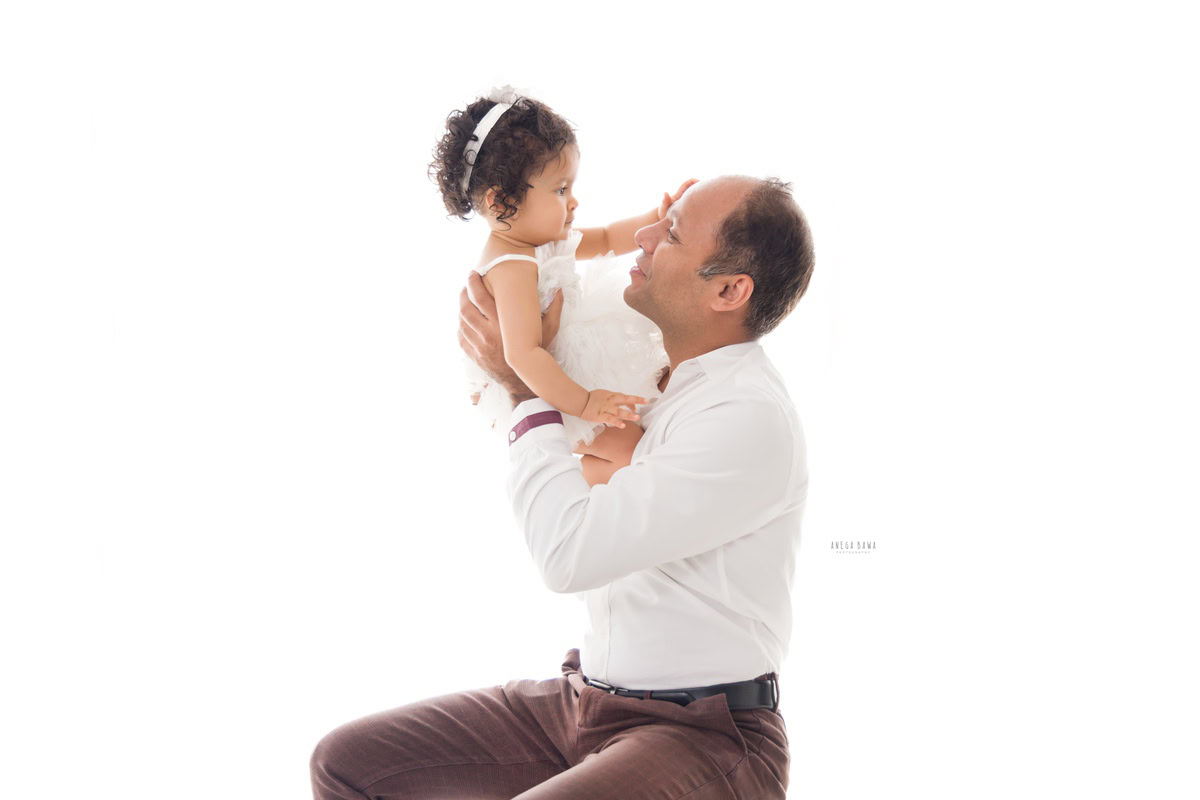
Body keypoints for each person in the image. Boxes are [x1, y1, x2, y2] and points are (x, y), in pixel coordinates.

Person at [310, 175, 815, 799]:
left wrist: (526, 390)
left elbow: (568, 554)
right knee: (348, 764)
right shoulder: (650, 380)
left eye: (673, 233)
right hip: (588, 702)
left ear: (730, 290)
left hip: (706, 732)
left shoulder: (746, 416)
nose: (645, 234)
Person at [431, 85, 695, 482]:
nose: (573, 201)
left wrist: (657, 216)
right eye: (560, 189)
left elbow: (607, 237)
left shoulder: (538, 242)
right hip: (546, 383)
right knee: (627, 446)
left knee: (638, 418)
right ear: (501, 202)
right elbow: (522, 354)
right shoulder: (511, 267)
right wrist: (585, 403)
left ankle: (599, 477)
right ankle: (594, 494)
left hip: (565, 365)